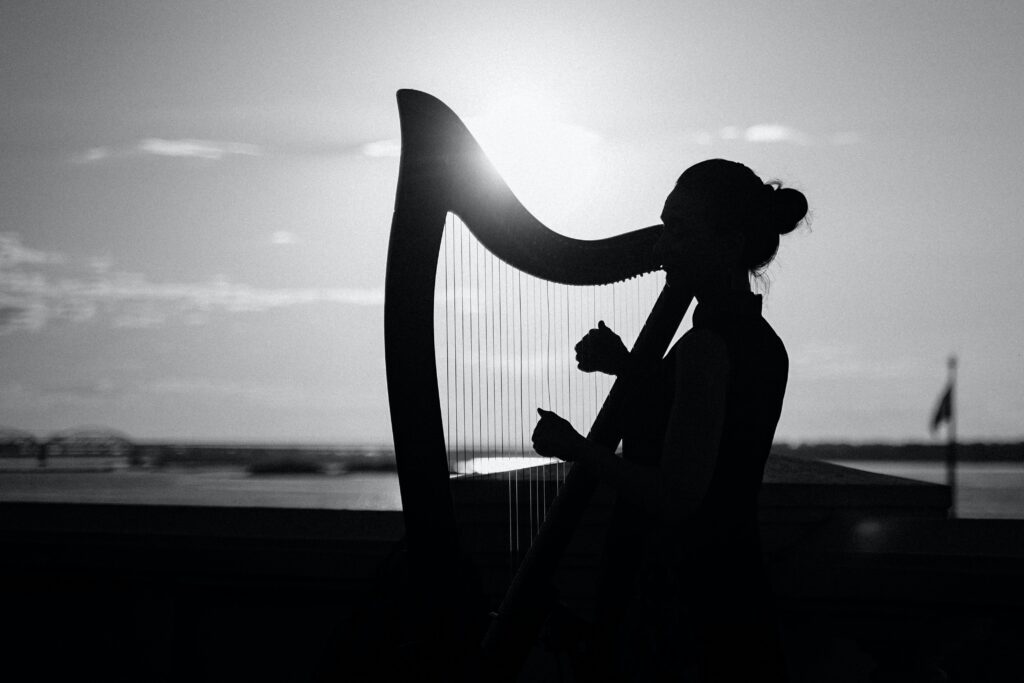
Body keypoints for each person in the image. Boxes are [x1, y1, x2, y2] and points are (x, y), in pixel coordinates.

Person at [531, 158, 807, 681]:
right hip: (734, 588)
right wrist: (623, 365)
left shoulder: (705, 347)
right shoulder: (761, 343)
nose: (661, 249)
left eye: (678, 231)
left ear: (727, 244)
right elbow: (703, 419)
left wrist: (574, 446)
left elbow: (674, 496)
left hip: (682, 611)